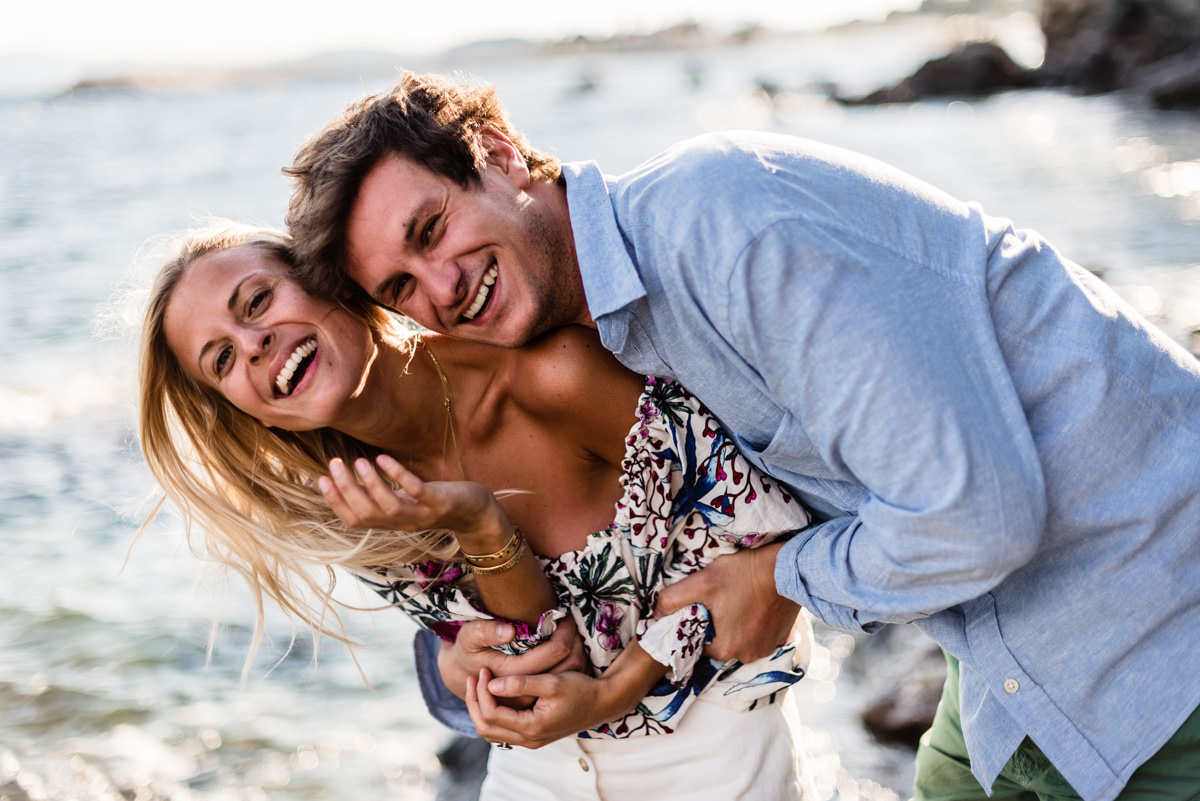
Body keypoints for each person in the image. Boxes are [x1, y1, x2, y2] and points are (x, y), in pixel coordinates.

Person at [283, 70, 1200, 801]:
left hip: (1153, 619)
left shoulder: (723, 227)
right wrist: (451, 663)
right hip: (1010, 659)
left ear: (500, 153)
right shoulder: (615, 324)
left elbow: (975, 516)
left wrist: (783, 577)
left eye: (432, 229)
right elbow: (635, 552)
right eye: (401, 288)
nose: (440, 288)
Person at [137, 221, 817, 800]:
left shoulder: (555, 375)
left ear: (329, 279)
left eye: (256, 300)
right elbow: (543, 659)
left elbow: (760, 547)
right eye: (222, 357)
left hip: (716, 740)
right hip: (541, 772)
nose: (251, 343)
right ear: (244, 408)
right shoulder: (352, 502)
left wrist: (616, 687)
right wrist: (476, 542)